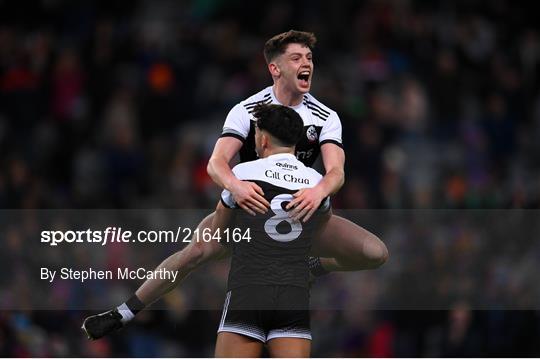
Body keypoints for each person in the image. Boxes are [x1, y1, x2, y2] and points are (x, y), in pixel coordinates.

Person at [81, 30, 388, 340]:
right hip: (248, 212)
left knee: (374, 252)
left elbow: (337, 172)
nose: (305, 63)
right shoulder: (248, 109)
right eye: (296, 58)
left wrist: (318, 191)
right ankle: (124, 311)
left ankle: (314, 266)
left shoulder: (326, 116)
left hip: (298, 213)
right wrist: (237, 187)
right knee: (195, 252)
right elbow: (216, 162)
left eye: (309, 58)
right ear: (275, 68)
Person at [214, 104, 330, 357]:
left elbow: (218, 233)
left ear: (263, 138)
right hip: (293, 292)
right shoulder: (316, 182)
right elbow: (323, 224)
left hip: (249, 288)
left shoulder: (243, 174)